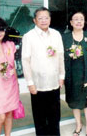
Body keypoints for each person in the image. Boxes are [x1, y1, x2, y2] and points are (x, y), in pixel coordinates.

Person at [22, 7, 65, 136]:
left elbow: (60, 56)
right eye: (40, 18)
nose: (44, 20)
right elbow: (25, 60)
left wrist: (61, 76)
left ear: (50, 19)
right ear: (34, 20)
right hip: (37, 84)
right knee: (40, 117)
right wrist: (30, 83)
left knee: (55, 116)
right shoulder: (29, 36)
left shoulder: (56, 34)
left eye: (46, 18)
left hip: (53, 82)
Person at [62, 11, 87, 136]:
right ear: (71, 22)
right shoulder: (65, 38)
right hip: (71, 76)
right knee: (74, 102)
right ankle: (78, 124)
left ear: (84, 22)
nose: (79, 21)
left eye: (81, 19)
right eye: (76, 19)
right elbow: (60, 57)